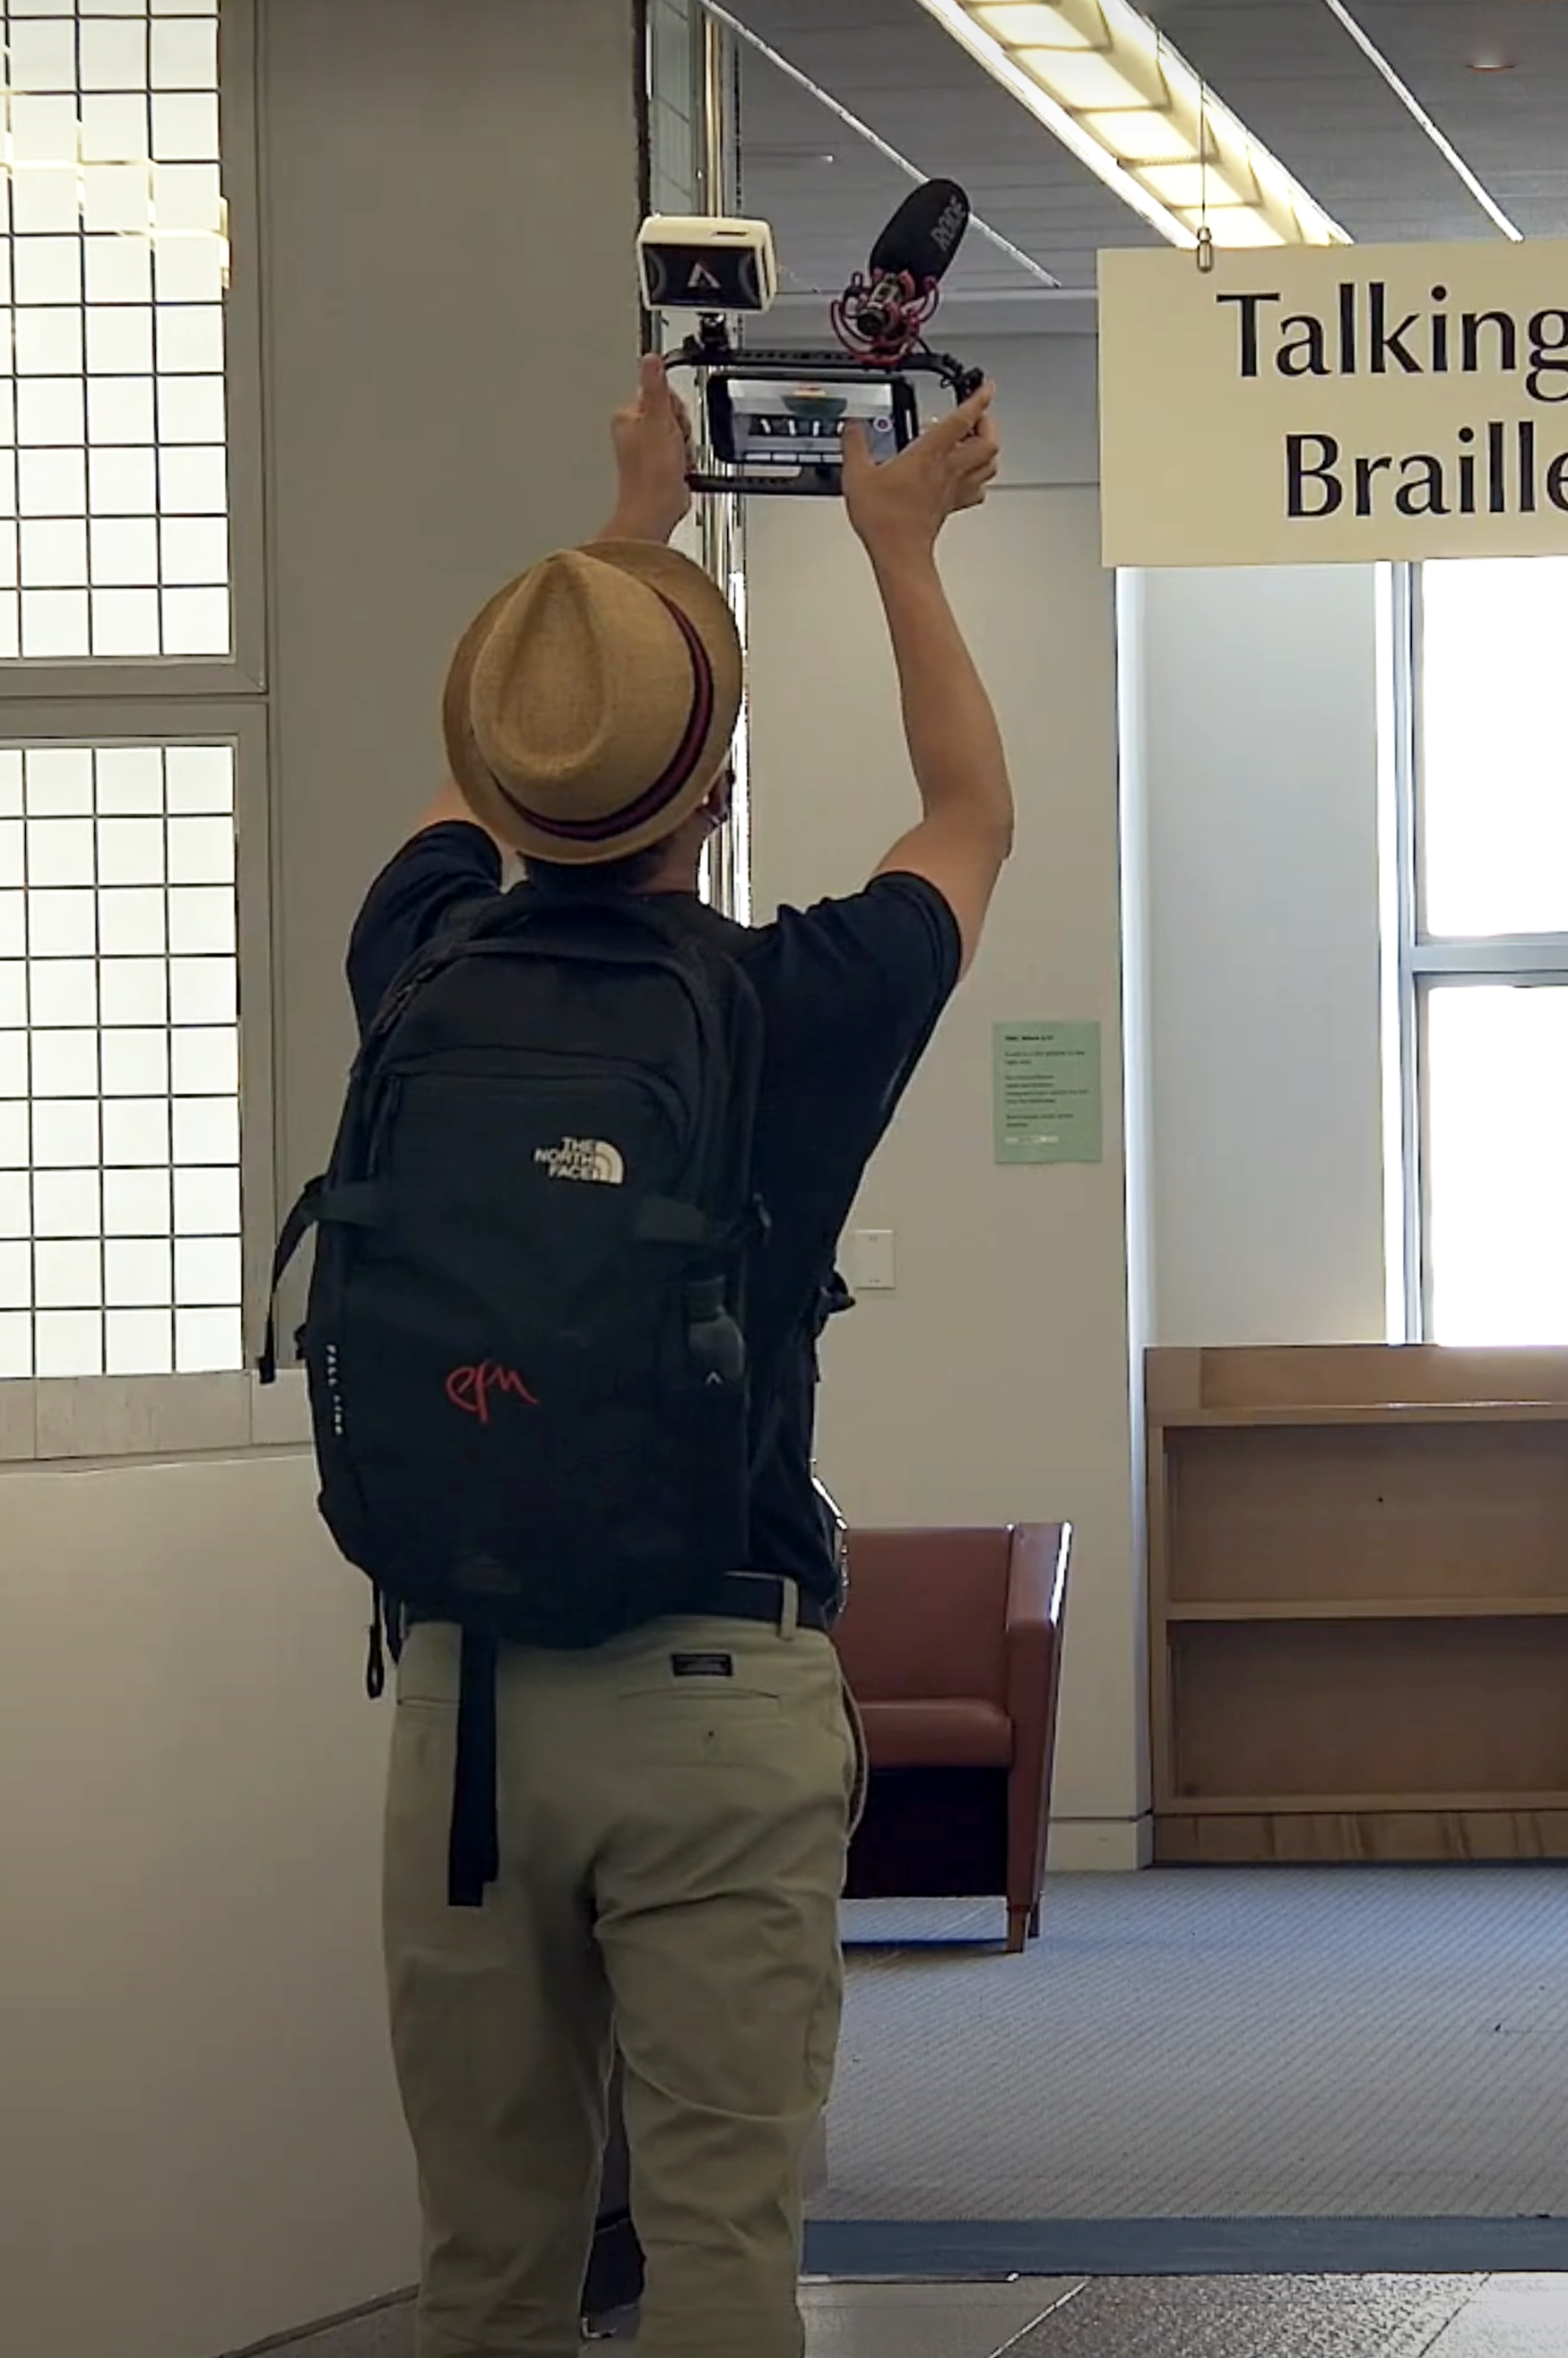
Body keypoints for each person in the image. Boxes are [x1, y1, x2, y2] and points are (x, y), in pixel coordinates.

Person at [346, 355, 1012, 2358]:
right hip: (713, 1696)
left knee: (489, 2257)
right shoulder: (791, 1004)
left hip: (454, 1697)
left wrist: (616, 548)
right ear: (711, 786)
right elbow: (971, 809)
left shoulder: (419, 962)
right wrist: (894, 546)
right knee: (721, 2235)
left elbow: (494, 770)